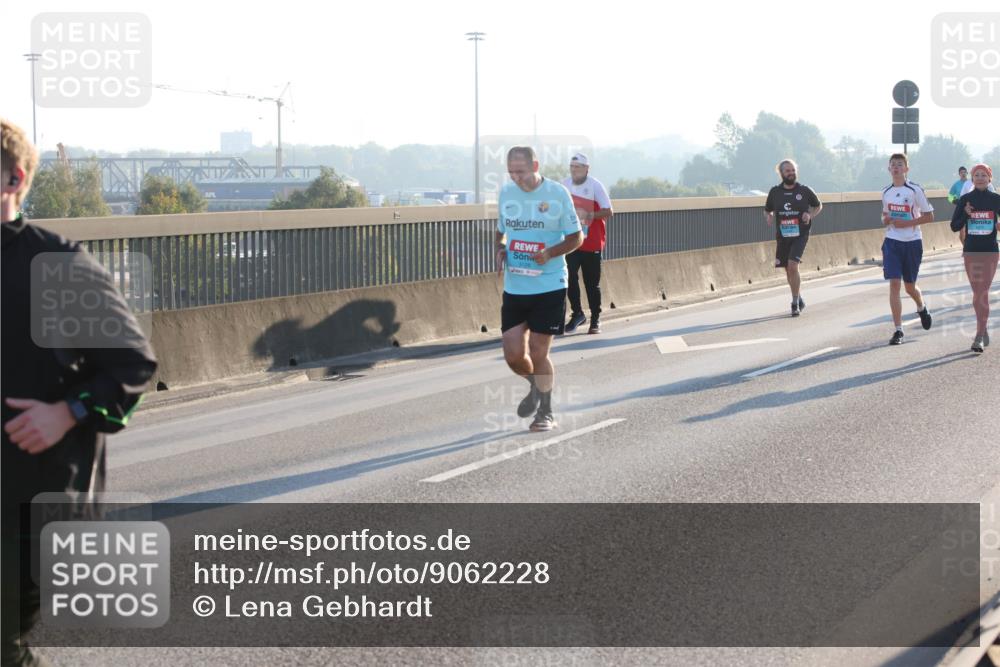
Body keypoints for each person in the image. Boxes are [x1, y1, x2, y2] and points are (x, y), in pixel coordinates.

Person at [1, 118, 158, 665]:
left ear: (12, 178)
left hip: (28, 501)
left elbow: (132, 366)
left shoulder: (57, 266)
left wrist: (66, 412)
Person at [495, 146, 583, 432]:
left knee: (538, 351)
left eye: (520, 171)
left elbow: (576, 237)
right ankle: (536, 385)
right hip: (515, 285)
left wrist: (550, 253)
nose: (516, 178)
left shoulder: (557, 194)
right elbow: (501, 231)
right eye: (511, 172)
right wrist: (500, 248)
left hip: (550, 284)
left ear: (535, 164)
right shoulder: (507, 194)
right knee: (512, 354)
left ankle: (545, 411)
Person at [880, 153, 934, 346]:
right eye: (893, 165)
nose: (896, 167)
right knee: (894, 284)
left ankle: (921, 307)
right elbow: (885, 215)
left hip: (912, 242)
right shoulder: (885, 191)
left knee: (909, 287)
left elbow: (929, 216)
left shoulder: (914, 189)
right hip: (892, 241)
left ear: (906, 169)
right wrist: (885, 220)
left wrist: (907, 223)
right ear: (889, 169)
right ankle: (898, 330)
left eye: (900, 164)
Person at [950, 163, 1000, 353]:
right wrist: (966, 214)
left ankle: (978, 336)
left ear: (990, 179)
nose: (980, 177)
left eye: (984, 175)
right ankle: (983, 328)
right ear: (972, 179)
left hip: (990, 251)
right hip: (971, 251)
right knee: (977, 293)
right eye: (976, 175)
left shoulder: (996, 199)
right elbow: (954, 226)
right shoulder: (965, 199)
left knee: (982, 292)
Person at [562, 153, 613, 334]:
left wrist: (589, 215)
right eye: (572, 166)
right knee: (569, 277)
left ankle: (596, 319)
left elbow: (609, 211)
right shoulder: (564, 185)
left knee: (592, 283)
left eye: (578, 167)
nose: (574, 170)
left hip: (592, 242)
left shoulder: (595, 185)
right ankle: (577, 314)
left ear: (586, 168)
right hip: (572, 241)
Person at [763, 159, 822, 316]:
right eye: (788, 171)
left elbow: (818, 205)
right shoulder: (775, 192)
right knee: (788, 269)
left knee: (793, 265)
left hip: (800, 234)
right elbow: (767, 209)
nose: (791, 173)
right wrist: (768, 216)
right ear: (781, 173)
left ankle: (794, 302)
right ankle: (799, 296)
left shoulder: (804, 190)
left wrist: (809, 214)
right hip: (783, 235)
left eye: (793, 170)